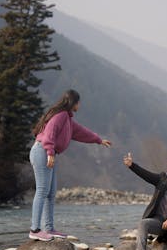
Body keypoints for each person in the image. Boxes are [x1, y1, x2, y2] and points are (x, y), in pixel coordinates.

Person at [29, 89, 112, 241]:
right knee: (42, 190)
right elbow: (49, 134)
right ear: (74, 102)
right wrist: (50, 153)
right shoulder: (60, 116)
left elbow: (82, 132)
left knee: (51, 193)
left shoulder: (67, 119)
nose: (80, 105)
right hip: (42, 151)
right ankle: (35, 229)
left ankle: (49, 228)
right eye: (79, 102)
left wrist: (99, 140)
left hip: (46, 152)